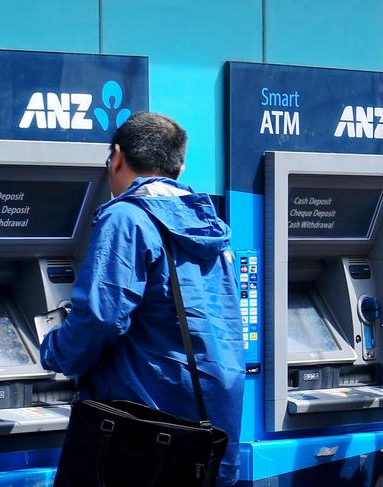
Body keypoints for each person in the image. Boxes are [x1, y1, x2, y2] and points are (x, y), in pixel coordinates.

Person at [40, 112, 246, 485]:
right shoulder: (213, 229)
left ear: (117, 156)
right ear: (179, 166)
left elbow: (101, 317)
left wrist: (53, 350)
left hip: (142, 430)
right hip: (206, 428)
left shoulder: (126, 219)